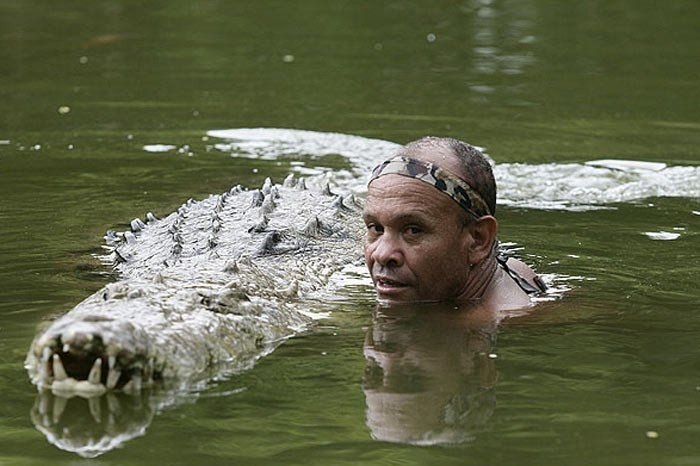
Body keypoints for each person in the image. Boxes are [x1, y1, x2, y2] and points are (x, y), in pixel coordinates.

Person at [363, 136, 546, 310]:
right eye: (376, 228)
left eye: (413, 230)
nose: (381, 255)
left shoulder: (511, 321)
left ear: (478, 240)